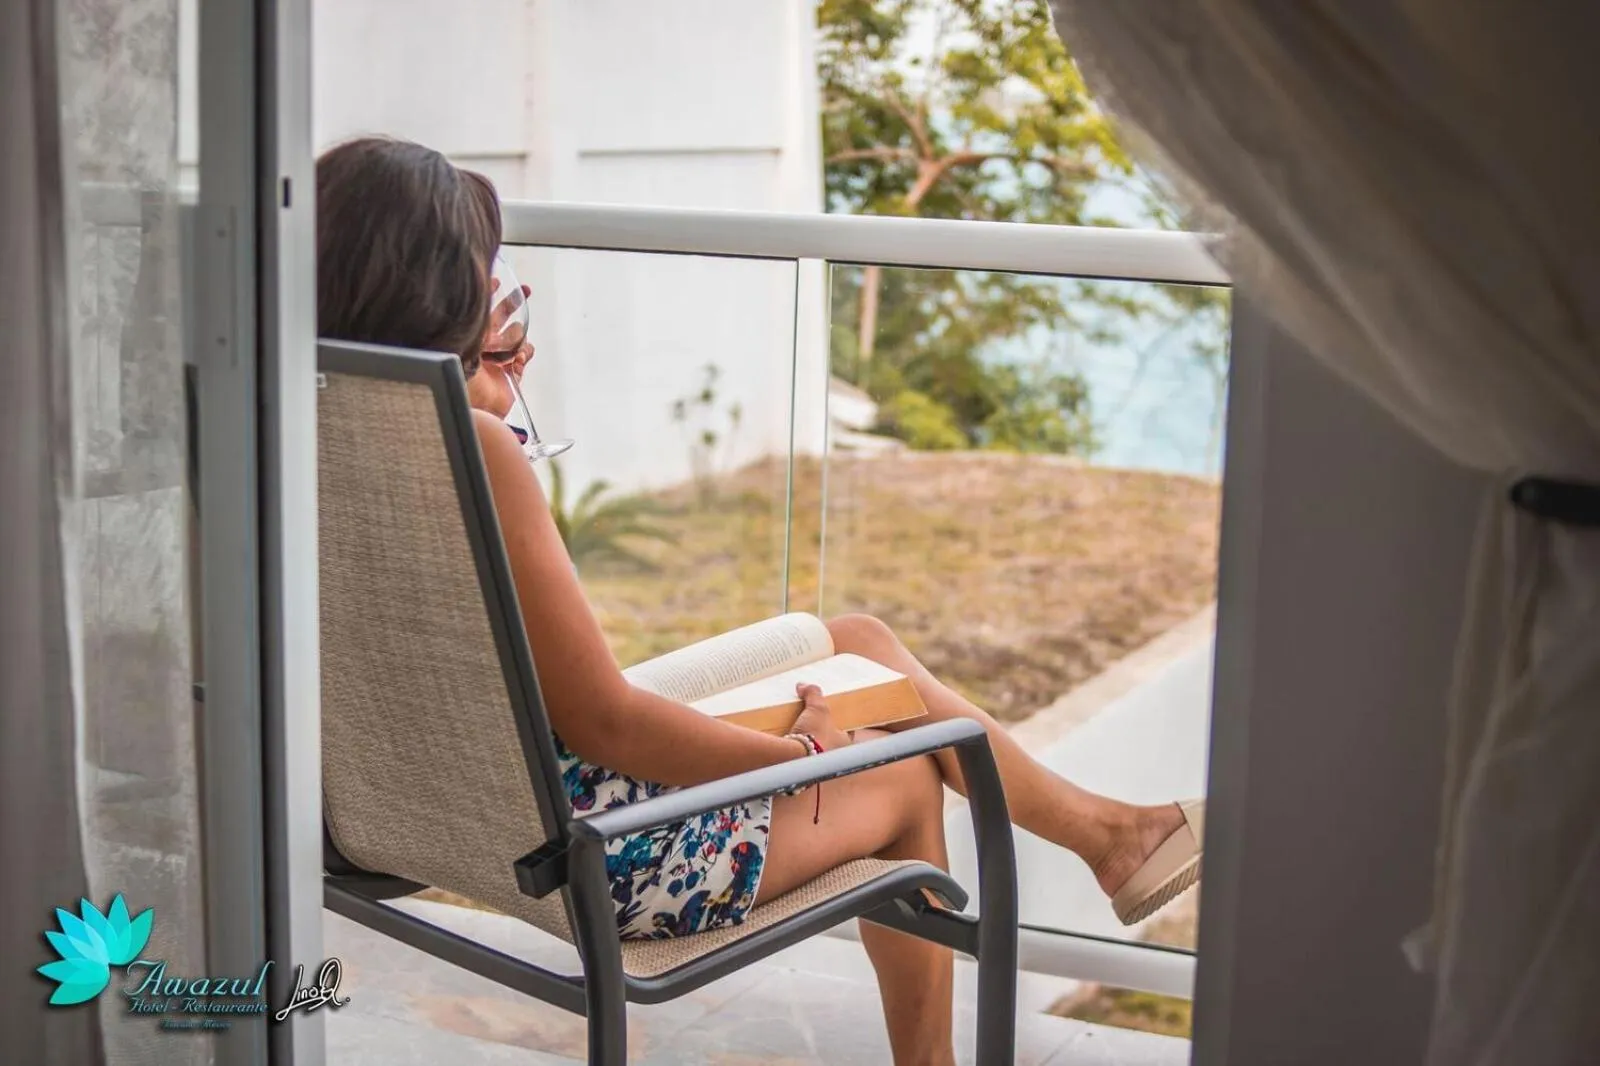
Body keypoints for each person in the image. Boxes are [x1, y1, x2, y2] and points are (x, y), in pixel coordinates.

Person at [316, 135, 1202, 1066]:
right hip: (595, 852)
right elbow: (607, 720)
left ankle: (1114, 835)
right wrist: (798, 757)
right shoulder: (476, 451)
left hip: (428, 815)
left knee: (854, 640)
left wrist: (479, 382)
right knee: (906, 769)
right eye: (491, 287)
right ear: (443, 294)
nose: (503, 310)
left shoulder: (300, 412)